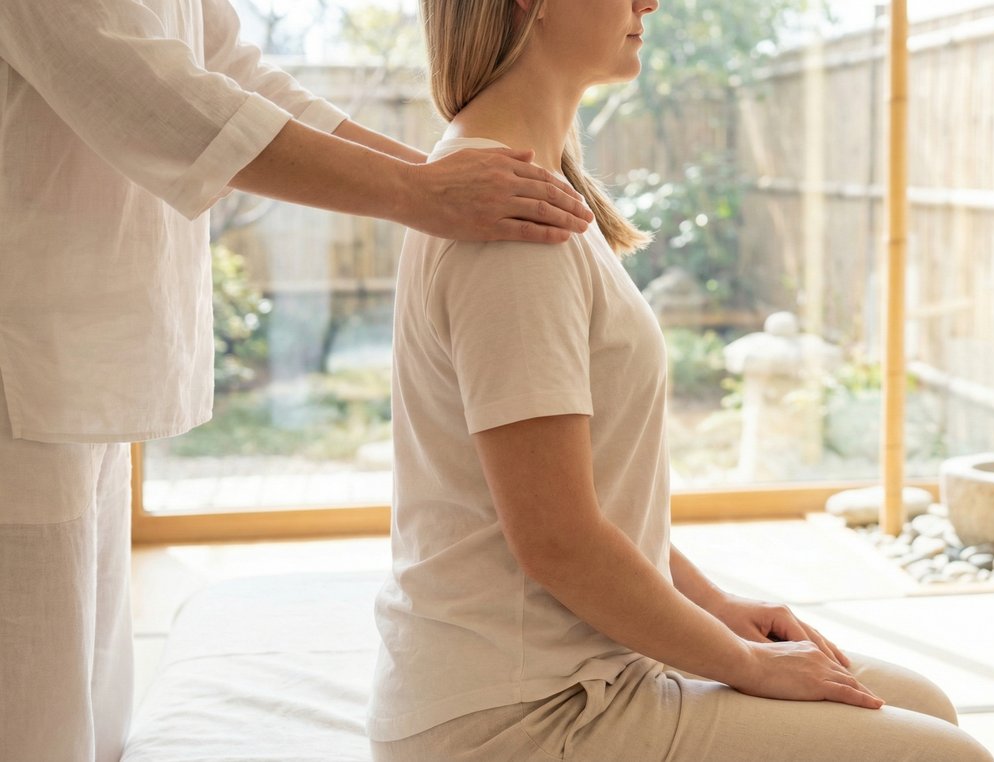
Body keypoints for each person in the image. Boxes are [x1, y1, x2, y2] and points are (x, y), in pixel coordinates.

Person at [367, 1, 994, 759]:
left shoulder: (524, 188)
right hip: (518, 714)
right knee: (947, 755)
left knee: (924, 705)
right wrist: (745, 664)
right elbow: (558, 541)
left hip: (579, 666)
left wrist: (717, 608)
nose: (649, 2)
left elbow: (595, 508)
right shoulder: (511, 221)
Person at [0, 0, 594, 759]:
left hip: (79, 354)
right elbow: (147, 93)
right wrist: (418, 193)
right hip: (23, 354)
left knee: (92, 691)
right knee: (33, 704)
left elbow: (230, 71)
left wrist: (433, 177)